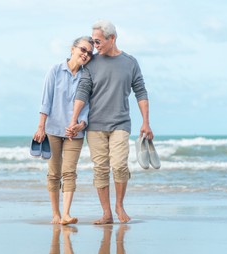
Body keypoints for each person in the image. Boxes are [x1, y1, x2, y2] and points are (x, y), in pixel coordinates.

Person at [66, 20, 153, 224]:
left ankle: (119, 206)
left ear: (111, 38)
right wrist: (73, 119)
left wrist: (146, 123)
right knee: (101, 169)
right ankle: (106, 213)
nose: (95, 46)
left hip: (120, 124)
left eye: (98, 41)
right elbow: (83, 91)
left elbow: (141, 91)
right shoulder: (91, 63)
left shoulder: (130, 63)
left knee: (120, 165)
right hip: (95, 126)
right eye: (93, 41)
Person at [33, 36, 94, 225]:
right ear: (73, 48)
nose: (85, 54)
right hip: (52, 130)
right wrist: (41, 126)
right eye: (83, 50)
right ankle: (55, 214)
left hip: (75, 133)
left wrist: (80, 124)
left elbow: (88, 106)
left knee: (69, 172)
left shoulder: (87, 76)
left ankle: (66, 214)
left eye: (89, 53)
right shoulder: (55, 70)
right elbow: (46, 100)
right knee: (54, 173)